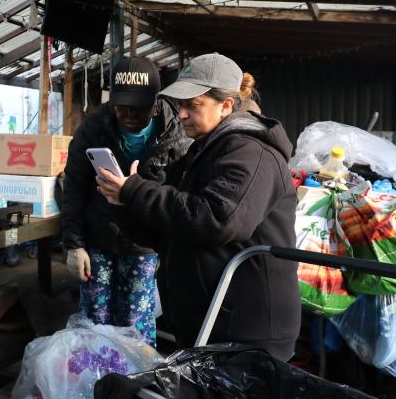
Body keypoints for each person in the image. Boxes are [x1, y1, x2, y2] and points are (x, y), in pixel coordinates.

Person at [96, 53, 301, 360]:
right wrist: (123, 202)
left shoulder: (251, 153)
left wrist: (136, 191)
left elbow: (216, 220)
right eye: (180, 105)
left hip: (245, 333)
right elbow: (171, 228)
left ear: (227, 105)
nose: (181, 114)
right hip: (210, 323)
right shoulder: (203, 151)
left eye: (193, 105)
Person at [61, 57, 187, 346]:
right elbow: (74, 187)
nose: (129, 113)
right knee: (95, 319)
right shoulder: (93, 127)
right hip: (98, 240)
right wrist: (75, 245)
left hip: (144, 246)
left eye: (138, 106)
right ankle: (96, 384)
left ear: (155, 102)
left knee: (136, 323)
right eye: (121, 105)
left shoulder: (176, 135)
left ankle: (136, 386)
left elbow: (178, 199)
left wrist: (167, 251)